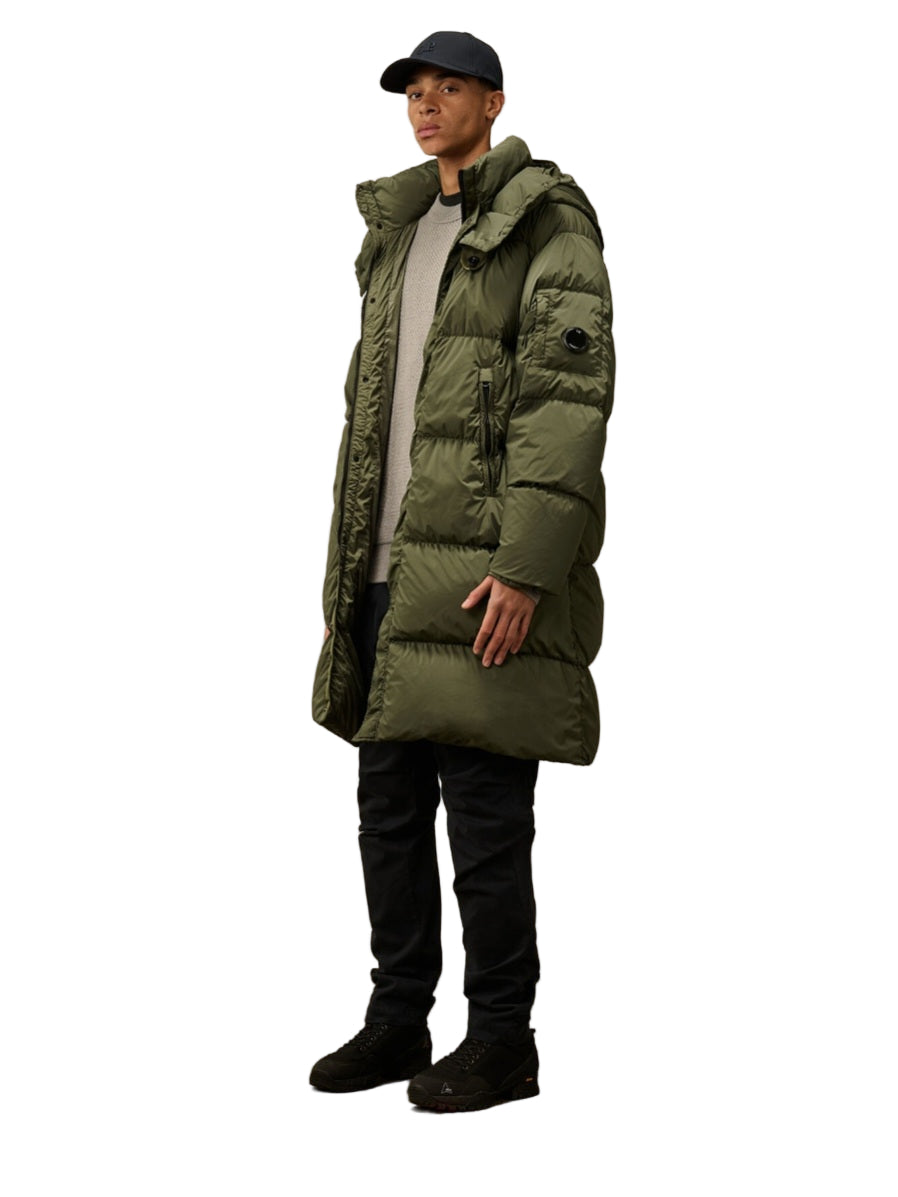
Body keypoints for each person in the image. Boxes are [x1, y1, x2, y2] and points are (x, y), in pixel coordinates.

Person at [309, 31, 615, 1113]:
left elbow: (565, 409)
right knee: (386, 812)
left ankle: (501, 1043)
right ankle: (400, 1017)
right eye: (414, 92)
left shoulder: (547, 225)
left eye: (449, 89)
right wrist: (349, 568)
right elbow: (372, 418)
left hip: (484, 575)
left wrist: (527, 569)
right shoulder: (398, 232)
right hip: (387, 568)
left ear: (494, 102)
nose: (426, 105)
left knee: (485, 824)